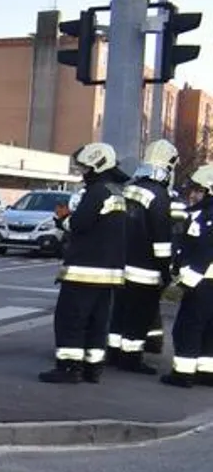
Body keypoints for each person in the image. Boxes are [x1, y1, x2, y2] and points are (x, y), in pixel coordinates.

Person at [39, 143, 128, 384]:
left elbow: (80, 225)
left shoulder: (97, 191)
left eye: (85, 169)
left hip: (84, 272)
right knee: (98, 323)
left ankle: (69, 368)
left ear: (97, 166)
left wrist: (63, 218)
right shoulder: (116, 192)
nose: (83, 174)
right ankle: (92, 368)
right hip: (108, 274)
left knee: (71, 320)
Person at [108, 139, 179, 374]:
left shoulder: (130, 188)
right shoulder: (158, 195)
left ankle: (113, 353)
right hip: (145, 271)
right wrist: (165, 270)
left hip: (121, 265)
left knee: (119, 313)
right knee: (138, 316)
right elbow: (161, 239)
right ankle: (131, 360)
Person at [161, 163, 213, 388]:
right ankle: (207, 372)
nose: (193, 195)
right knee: (209, 330)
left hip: (201, 284)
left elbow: (201, 252)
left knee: (187, 328)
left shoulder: (204, 217)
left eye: (199, 190)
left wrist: (181, 285)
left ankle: (183, 374)